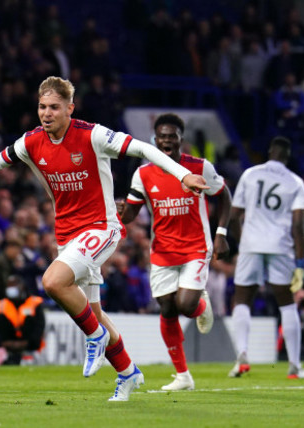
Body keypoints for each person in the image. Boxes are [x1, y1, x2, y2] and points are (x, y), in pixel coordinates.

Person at [0, 76, 209, 401]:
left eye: (54, 107)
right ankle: (128, 372)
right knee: (93, 312)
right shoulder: (31, 142)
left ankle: (95, 337)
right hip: (67, 234)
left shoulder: (93, 135)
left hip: (101, 227)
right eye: (42, 107)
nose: (46, 113)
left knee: (53, 282)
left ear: (69, 109)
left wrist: (182, 173)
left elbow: (141, 147)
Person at [120, 113, 232, 391]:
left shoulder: (200, 167)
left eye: (172, 136)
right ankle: (183, 376)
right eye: (162, 137)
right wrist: (124, 211)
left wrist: (221, 234)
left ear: (182, 139)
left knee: (185, 305)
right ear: (155, 140)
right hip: (162, 251)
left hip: (196, 247)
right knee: (167, 308)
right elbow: (132, 211)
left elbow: (225, 196)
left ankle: (201, 305)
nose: (167, 141)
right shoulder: (143, 173)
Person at [229, 136, 304, 379]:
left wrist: (243, 239)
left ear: (270, 151)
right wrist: (300, 263)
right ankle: (294, 366)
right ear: (287, 157)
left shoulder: (250, 175)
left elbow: (234, 215)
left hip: (251, 245)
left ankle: (242, 357)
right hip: (280, 247)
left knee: (242, 299)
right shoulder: (295, 182)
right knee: (287, 303)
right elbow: (299, 225)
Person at [0, 275, 46, 365]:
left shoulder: (34, 302)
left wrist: (29, 342)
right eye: (9, 286)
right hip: (9, 340)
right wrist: (4, 342)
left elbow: (40, 326)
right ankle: (12, 357)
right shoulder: (2, 305)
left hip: (29, 341)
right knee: (2, 318)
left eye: (13, 285)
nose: (11, 289)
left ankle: (25, 355)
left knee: (29, 319)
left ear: (21, 286)